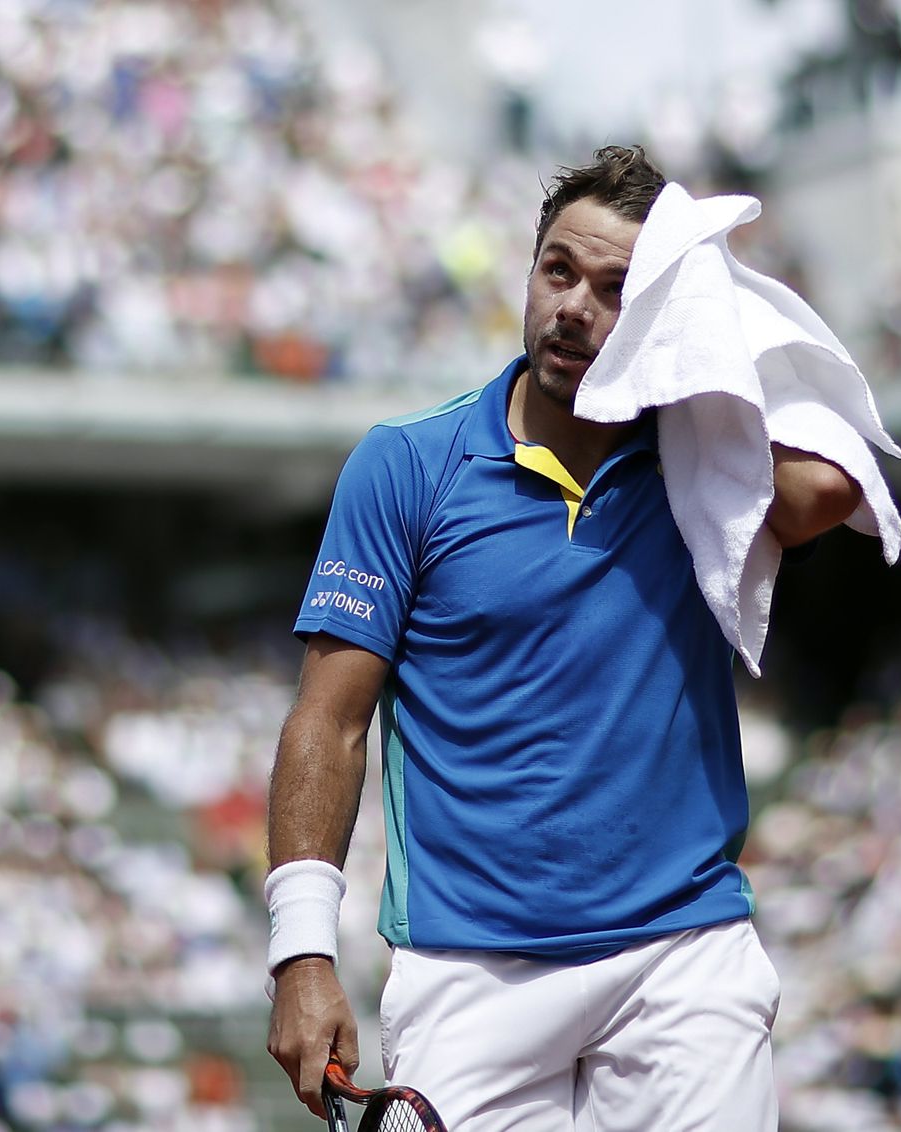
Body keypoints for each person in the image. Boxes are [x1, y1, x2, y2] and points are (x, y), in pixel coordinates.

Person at [262, 146, 862, 1132]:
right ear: (530, 270)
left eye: (619, 289)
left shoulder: (699, 464)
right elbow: (327, 722)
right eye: (558, 271)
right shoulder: (407, 464)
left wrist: (701, 320)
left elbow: (826, 489)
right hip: (469, 969)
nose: (575, 306)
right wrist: (301, 953)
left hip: (683, 954)